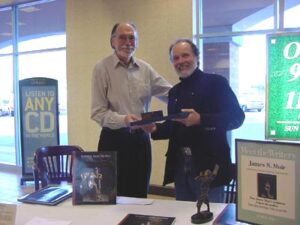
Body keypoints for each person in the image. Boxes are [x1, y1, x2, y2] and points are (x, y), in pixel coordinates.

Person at [141, 38, 245, 202]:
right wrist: (154, 128)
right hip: (181, 167)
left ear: (196, 57)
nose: (181, 61)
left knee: (210, 217)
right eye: (176, 58)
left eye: (185, 55)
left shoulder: (216, 83)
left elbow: (237, 117)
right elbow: (174, 126)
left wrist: (201, 119)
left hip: (210, 168)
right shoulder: (175, 92)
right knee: (184, 216)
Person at [90, 22, 172, 198]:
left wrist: (192, 95)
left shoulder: (145, 69)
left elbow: (170, 93)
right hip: (113, 141)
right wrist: (124, 120)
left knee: (139, 194)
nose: (128, 42)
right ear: (112, 42)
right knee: (110, 196)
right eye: (122, 37)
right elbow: (97, 112)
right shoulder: (101, 68)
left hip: (140, 141)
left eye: (132, 38)